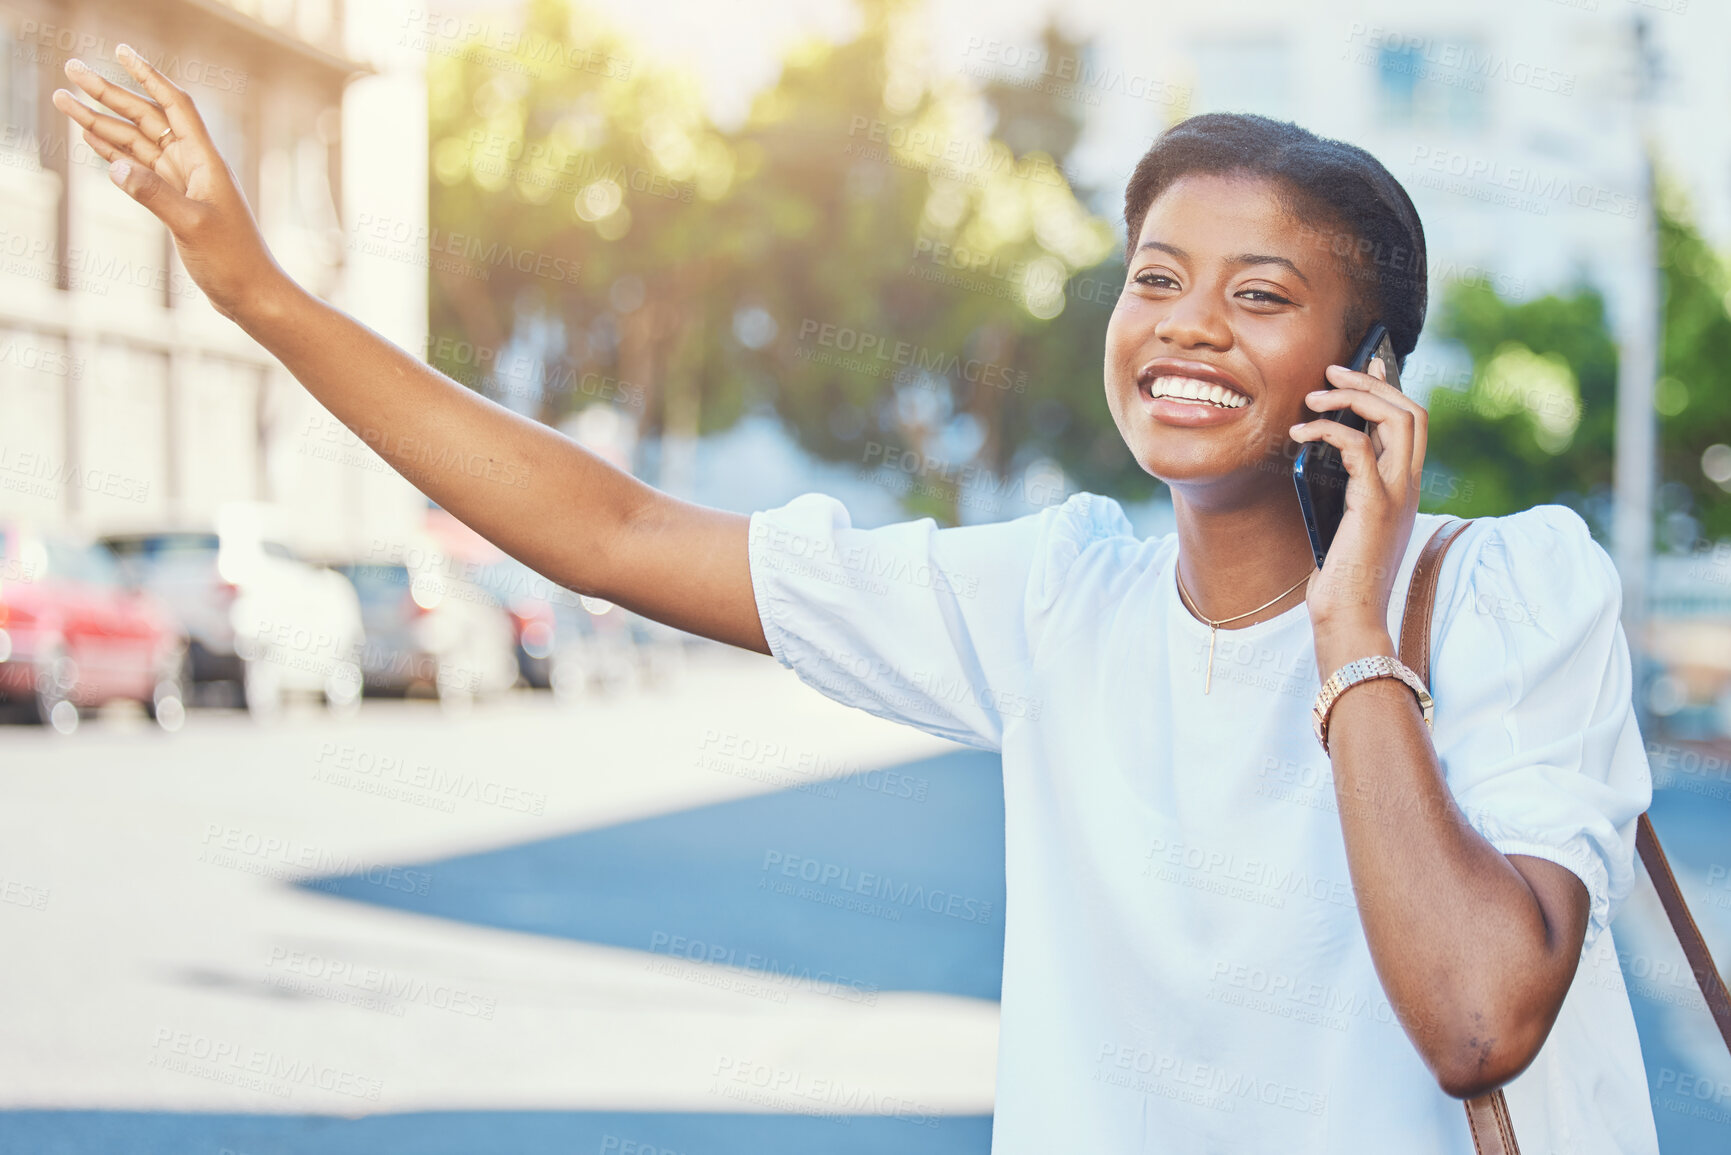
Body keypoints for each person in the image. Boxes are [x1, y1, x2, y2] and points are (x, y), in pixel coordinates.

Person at [54, 47, 1658, 1155]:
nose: (1184, 327)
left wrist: (1354, 632)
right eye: (1158, 276)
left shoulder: (1516, 592)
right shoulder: (1053, 600)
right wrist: (255, 288)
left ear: (1366, 373)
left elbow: (1476, 1019)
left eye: (1263, 295)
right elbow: (613, 530)